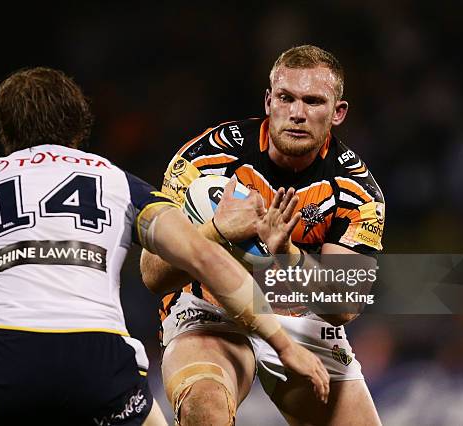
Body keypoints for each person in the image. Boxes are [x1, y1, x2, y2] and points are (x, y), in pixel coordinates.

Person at [0, 67, 330, 426]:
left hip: (6, 358)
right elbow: (203, 259)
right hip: (99, 360)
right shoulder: (115, 181)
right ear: (79, 125)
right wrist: (283, 343)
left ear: (5, 131)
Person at [141, 45, 384, 425]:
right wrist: (217, 232)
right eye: (286, 98)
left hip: (297, 313)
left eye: (313, 101)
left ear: (338, 113)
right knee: (204, 404)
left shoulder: (356, 189)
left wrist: (286, 253)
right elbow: (152, 273)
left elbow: (345, 305)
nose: (297, 113)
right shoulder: (207, 158)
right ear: (269, 100)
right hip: (210, 305)